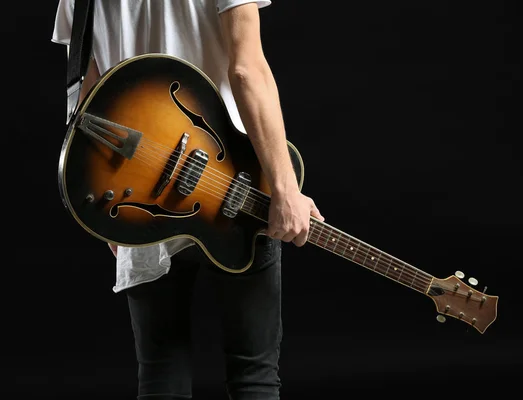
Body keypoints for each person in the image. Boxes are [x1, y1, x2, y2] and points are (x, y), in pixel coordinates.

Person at [51, 1, 324, 399]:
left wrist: (105, 216)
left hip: (139, 197)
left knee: (161, 373)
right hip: (235, 185)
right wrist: (285, 187)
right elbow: (248, 71)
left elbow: (88, 97)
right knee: (254, 375)